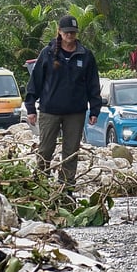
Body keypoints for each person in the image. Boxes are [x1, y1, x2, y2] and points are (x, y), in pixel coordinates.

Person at [24, 15, 102, 191]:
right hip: (49, 110)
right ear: (59, 32)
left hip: (75, 112)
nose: (70, 35)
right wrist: (30, 108)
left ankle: (66, 188)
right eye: (67, 32)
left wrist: (95, 110)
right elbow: (35, 81)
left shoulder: (86, 55)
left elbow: (93, 84)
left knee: (71, 152)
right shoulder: (48, 53)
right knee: (45, 149)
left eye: (73, 32)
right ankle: (40, 184)